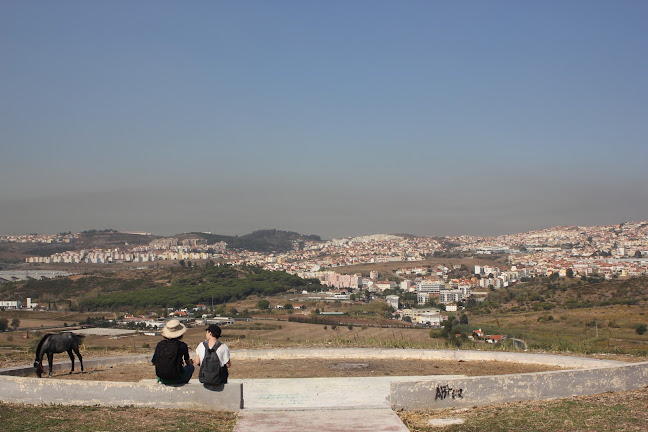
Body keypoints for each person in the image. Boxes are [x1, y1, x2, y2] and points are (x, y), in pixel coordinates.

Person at [151, 319, 194, 384]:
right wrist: (190, 362)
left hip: (162, 378)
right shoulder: (182, 345)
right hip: (177, 378)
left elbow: (154, 362)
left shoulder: (160, 344)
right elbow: (187, 363)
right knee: (191, 367)